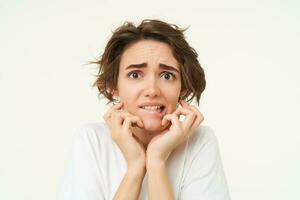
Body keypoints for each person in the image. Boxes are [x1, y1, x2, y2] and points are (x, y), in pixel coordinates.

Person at [58, 19, 231, 200]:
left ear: (183, 87)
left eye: (167, 75)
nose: (152, 90)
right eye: (135, 75)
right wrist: (135, 167)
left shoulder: (199, 141)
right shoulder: (92, 139)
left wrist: (156, 161)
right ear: (113, 86)